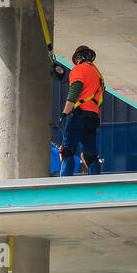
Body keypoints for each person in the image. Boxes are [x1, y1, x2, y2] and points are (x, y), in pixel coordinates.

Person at [58, 45, 105, 176]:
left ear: (78, 58)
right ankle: (95, 184)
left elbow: (74, 92)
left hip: (79, 115)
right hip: (93, 116)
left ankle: (64, 184)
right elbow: (100, 100)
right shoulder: (98, 75)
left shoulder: (79, 69)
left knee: (67, 151)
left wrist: (64, 114)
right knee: (90, 156)